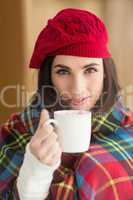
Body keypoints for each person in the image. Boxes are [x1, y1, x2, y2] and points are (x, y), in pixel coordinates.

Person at [0, 7, 133, 200]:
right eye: (63, 71)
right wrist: (34, 174)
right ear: (49, 76)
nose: (77, 89)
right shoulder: (16, 133)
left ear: (106, 72)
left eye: (90, 70)